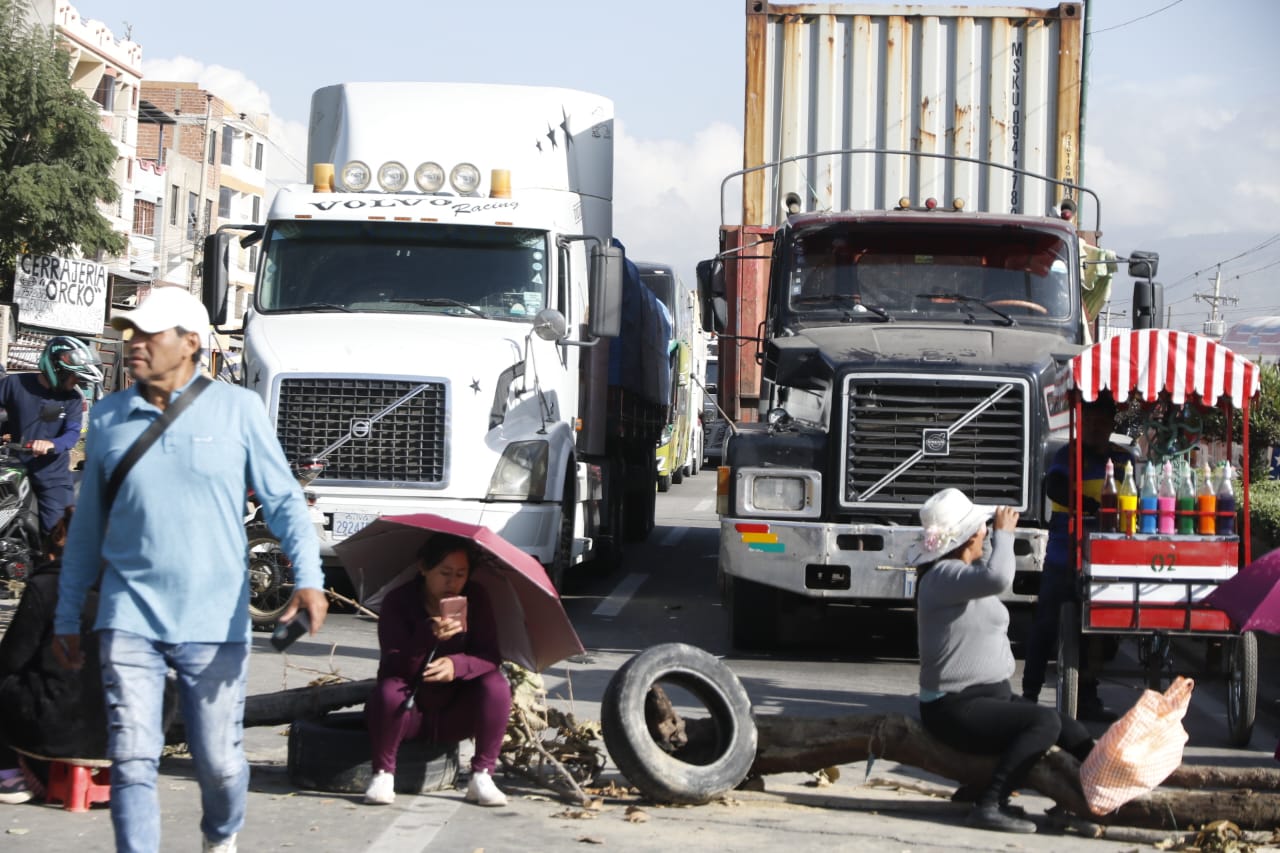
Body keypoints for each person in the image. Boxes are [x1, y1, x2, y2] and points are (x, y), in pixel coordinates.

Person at [52, 286, 328, 853]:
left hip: (214, 621)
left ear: (191, 344)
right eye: (132, 333)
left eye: (151, 334)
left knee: (220, 764)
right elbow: (86, 532)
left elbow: (283, 502)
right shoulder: (106, 418)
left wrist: (309, 579)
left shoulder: (238, 411)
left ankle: (219, 836)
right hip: (128, 616)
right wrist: (64, 612)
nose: (135, 345)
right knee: (131, 759)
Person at [912, 489, 1095, 833]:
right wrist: (1005, 534)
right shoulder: (941, 577)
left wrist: (995, 538)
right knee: (1044, 724)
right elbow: (999, 576)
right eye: (979, 528)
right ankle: (990, 802)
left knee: (1074, 732)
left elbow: (991, 571)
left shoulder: (964, 572)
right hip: (953, 706)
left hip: (987, 699)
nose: (985, 530)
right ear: (968, 538)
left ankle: (1087, 801)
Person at [363, 532, 512, 808]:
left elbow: (490, 657)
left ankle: (482, 775)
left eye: (460, 574)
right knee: (389, 691)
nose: (452, 582)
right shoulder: (399, 601)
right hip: (409, 710)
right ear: (423, 568)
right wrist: (427, 635)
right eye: (444, 572)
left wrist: (457, 665)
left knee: (497, 684)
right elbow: (394, 663)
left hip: (456, 710)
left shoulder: (476, 599)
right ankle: (383, 773)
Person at [1022, 394, 1131, 722]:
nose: (1097, 428)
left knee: (1103, 628)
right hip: (1064, 552)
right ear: (1082, 424)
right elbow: (1054, 487)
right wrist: (1091, 506)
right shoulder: (1068, 454)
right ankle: (1029, 694)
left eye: (1103, 422)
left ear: (1112, 424)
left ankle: (1087, 696)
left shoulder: (1123, 460)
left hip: (1110, 554)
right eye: (1091, 422)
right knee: (1047, 623)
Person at [0, 509, 104, 804]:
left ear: (51, 554)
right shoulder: (127, 585)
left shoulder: (46, 585)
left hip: (59, 726)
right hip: (126, 726)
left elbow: (11, 659)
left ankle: (9, 776)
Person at [0, 336, 103, 535]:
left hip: (51, 474)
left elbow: (72, 434)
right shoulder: (14, 383)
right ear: (57, 369)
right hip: (11, 464)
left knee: (58, 534)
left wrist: (51, 444)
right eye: (74, 376)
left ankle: (50, 564)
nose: (77, 383)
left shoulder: (72, 398)